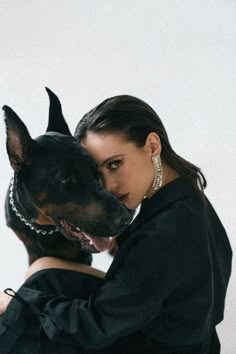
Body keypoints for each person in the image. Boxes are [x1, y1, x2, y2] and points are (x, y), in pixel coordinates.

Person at [0, 94, 232, 353]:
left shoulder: (164, 234)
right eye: (100, 172)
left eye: (115, 164)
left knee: (18, 320)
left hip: (152, 345)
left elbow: (92, 328)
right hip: (192, 335)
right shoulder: (185, 190)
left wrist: (19, 303)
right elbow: (147, 278)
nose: (108, 186)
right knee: (44, 271)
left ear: (152, 146)